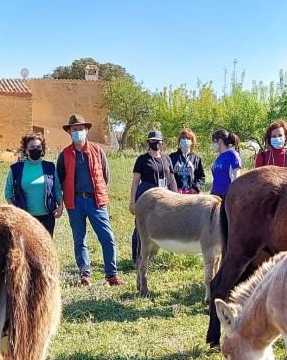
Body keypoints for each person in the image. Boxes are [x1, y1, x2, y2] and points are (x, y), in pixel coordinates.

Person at [57, 114, 123, 286]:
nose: (77, 132)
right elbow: (59, 179)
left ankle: (111, 275)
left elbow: (105, 176)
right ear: (69, 132)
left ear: (86, 130)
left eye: (80, 129)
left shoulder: (97, 150)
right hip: (75, 202)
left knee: (107, 237)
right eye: (74, 129)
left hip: (96, 201)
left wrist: (97, 193)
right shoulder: (64, 155)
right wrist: (61, 202)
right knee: (80, 240)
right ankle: (85, 275)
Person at [130, 129, 178, 263]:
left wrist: (176, 198)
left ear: (161, 142)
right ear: (148, 142)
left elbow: (172, 179)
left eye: (157, 141)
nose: (155, 143)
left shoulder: (167, 158)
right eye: (152, 141)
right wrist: (132, 202)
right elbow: (135, 182)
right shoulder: (142, 159)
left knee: (162, 227)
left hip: (164, 197)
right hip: (146, 198)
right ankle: (136, 258)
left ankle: (152, 256)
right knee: (141, 227)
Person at [4, 133, 63, 236]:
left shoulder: (49, 167)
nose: (35, 149)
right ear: (26, 150)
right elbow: (8, 191)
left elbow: (57, 188)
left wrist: (61, 206)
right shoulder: (16, 169)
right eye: (32, 147)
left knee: (45, 249)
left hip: (47, 217)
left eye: (38, 147)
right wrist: (14, 210)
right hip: (25, 217)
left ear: (42, 149)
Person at [169, 128, 206, 194]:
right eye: (183, 138)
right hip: (175, 193)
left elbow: (201, 177)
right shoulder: (172, 157)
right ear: (179, 141)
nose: (185, 140)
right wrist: (172, 189)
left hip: (191, 194)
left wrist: (196, 188)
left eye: (188, 138)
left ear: (192, 141)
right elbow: (168, 175)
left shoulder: (196, 158)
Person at [209, 129, 241, 198]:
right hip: (215, 195)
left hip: (227, 195)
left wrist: (233, 194)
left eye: (213, 141)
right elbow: (216, 178)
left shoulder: (232, 154)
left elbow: (237, 176)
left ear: (220, 141)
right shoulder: (218, 158)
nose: (212, 144)